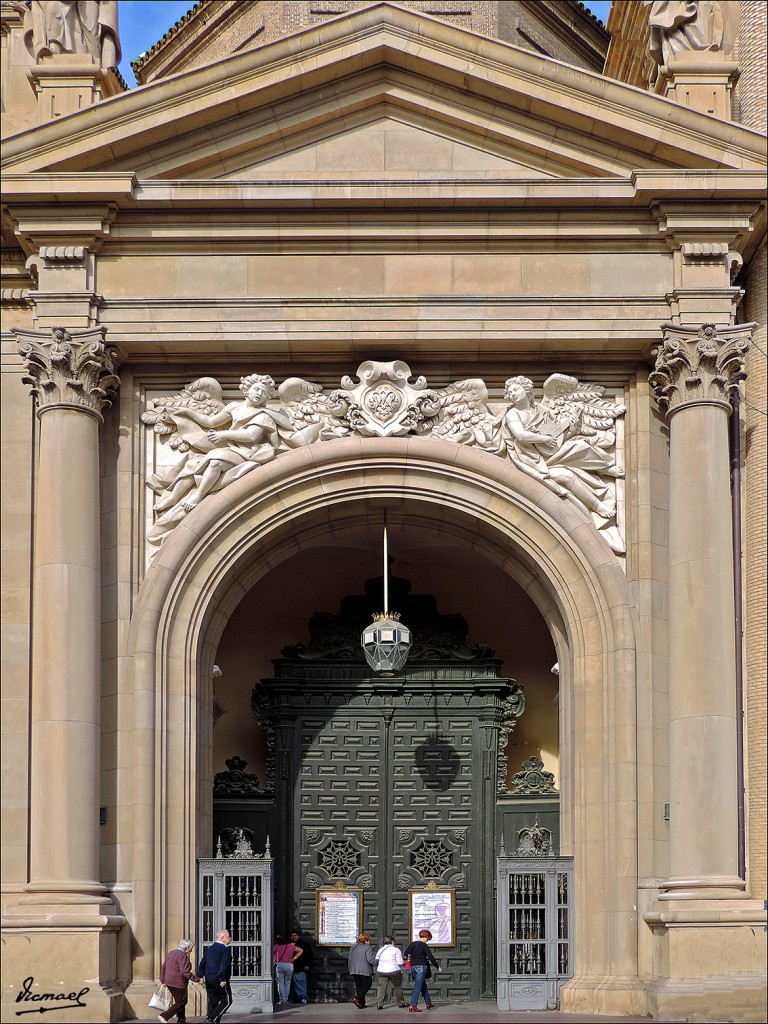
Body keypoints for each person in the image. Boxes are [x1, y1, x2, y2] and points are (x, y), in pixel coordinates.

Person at [158, 939, 198, 1024]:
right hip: (179, 983)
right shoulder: (183, 956)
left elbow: (163, 967)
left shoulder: (171, 953)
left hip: (169, 982)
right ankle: (164, 1016)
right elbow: (185, 972)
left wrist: (163, 980)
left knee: (179, 1002)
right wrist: (197, 980)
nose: (191, 950)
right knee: (182, 1002)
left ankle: (181, 1020)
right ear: (187, 948)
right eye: (191, 948)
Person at [198, 930, 232, 1024]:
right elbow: (223, 964)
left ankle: (212, 1020)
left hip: (209, 977)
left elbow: (202, 962)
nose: (230, 938)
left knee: (213, 1001)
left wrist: (201, 975)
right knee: (227, 1001)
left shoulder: (210, 948)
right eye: (228, 936)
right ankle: (211, 1019)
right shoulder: (225, 949)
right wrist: (222, 979)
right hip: (218, 978)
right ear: (222, 938)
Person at [403, 929, 440, 1013]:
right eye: (428, 938)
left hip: (413, 967)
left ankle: (428, 1003)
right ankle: (413, 1005)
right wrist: (437, 966)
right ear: (426, 936)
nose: (428, 940)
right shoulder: (424, 946)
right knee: (418, 986)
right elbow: (430, 957)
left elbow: (406, 953)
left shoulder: (413, 944)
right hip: (421, 967)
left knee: (422, 985)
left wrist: (410, 957)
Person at [374, 935, 406, 1010]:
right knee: (398, 987)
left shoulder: (380, 950)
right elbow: (400, 962)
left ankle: (379, 1004)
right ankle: (401, 1003)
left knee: (382, 987)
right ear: (392, 941)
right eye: (394, 941)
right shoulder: (396, 950)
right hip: (393, 970)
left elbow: (376, 959)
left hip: (381, 971)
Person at [348, 932, 377, 1009]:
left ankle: (361, 1004)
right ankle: (357, 998)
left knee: (359, 987)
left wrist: (350, 968)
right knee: (367, 985)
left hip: (354, 970)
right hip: (364, 970)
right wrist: (379, 960)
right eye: (369, 940)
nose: (370, 941)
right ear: (366, 940)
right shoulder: (367, 948)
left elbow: (350, 959)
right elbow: (371, 960)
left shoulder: (353, 948)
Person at [273, 933, 301, 1006]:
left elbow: (270, 953)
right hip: (289, 965)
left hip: (280, 964)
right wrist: (293, 958)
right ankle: (286, 998)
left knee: (280, 982)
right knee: (287, 982)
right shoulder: (290, 946)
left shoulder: (276, 946)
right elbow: (300, 950)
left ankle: (282, 999)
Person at [289, 929, 313, 1004]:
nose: (293, 937)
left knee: (300, 983)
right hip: (288, 967)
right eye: (292, 936)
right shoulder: (287, 945)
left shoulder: (304, 944)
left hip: (299, 967)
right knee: (288, 984)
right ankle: (289, 998)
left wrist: (307, 965)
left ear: (298, 936)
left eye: (295, 936)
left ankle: (302, 998)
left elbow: (309, 955)